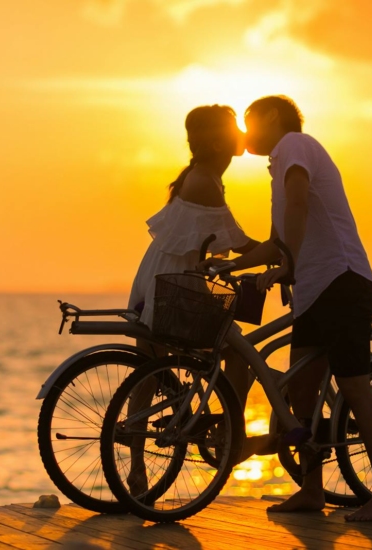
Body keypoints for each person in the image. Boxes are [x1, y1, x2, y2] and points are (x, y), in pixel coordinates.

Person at [205, 95, 372, 522]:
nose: (244, 133)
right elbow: (276, 242)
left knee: (353, 385)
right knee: (302, 393)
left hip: (342, 280)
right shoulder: (280, 168)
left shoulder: (295, 144)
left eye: (250, 121)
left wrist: (288, 262)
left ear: (272, 116)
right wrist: (234, 263)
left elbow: (300, 206)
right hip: (313, 291)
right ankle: (312, 490)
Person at [126, 104, 259, 494]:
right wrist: (285, 253)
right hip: (177, 289)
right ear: (218, 140)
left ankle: (137, 471)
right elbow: (238, 241)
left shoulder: (201, 176)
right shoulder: (204, 182)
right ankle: (228, 432)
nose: (242, 133)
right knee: (240, 355)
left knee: (146, 373)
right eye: (235, 128)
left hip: (161, 281)